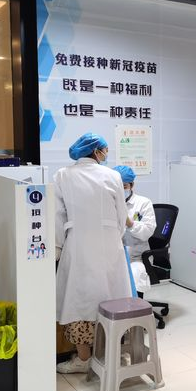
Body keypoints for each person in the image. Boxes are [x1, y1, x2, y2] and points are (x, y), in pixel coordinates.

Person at [54, 133, 131, 373]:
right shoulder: (113, 176)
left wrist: (58, 247)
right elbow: (121, 216)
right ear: (96, 151)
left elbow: (57, 216)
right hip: (109, 245)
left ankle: (84, 359)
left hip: (78, 245)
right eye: (104, 149)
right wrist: (113, 237)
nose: (106, 153)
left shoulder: (62, 175)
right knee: (112, 299)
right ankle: (111, 355)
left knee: (79, 301)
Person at [114, 165, 157, 294]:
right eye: (117, 187)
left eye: (124, 186)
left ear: (132, 185)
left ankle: (134, 305)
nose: (121, 190)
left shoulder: (143, 203)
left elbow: (147, 231)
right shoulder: (108, 204)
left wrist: (130, 223)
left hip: (137, 258)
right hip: (113, 257)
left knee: (133, 279)